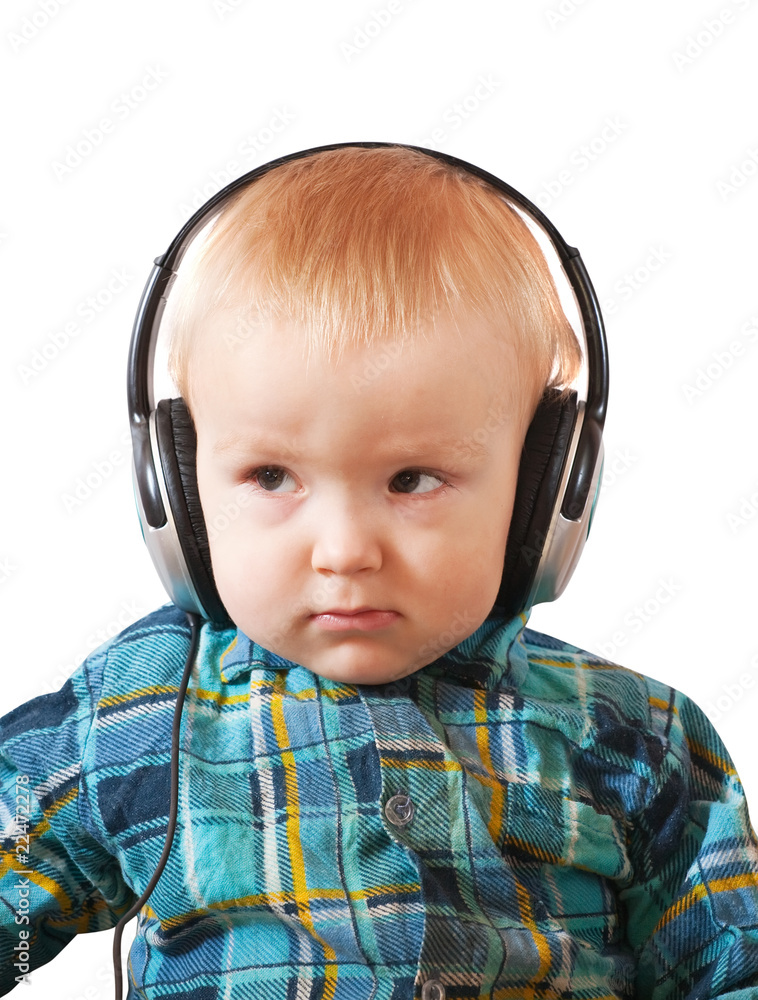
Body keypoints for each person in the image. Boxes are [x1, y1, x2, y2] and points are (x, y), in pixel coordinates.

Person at [1, 143, 757, 1000]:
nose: (344, 550)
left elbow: (731, 969)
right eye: (272, 477)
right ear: (176, 492)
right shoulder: (134, 714)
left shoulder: (633, 739)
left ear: (545, 496)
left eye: (412, 480)